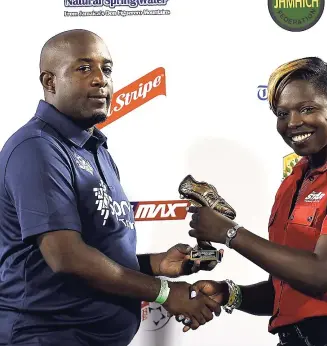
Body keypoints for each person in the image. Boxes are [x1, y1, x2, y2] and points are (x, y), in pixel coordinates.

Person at [0, 29, 223, 346]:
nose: (99, 79)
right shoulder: (37, 148)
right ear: (50, 82)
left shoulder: (95, 149)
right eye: (83, 68)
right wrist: (161, 291)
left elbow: (97, 252)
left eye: (106, 69)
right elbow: (66, 257)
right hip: (45, 335)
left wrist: (156, 264)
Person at [180, 57, 327, 346]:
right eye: (282, 113)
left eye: (307, 109)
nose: (293, 123)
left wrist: (230, 233)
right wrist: (229, 293)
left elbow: (323, 274)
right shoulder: (294, 182)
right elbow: (287, 290)